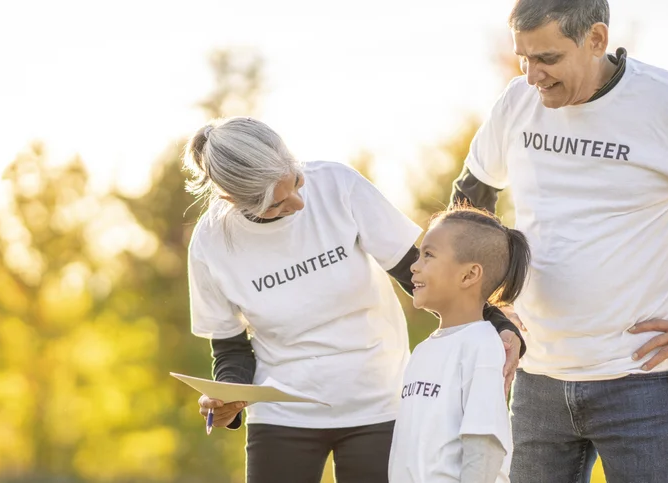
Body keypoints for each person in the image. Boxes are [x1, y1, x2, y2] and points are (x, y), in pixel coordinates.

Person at [183, 116, 524, 483]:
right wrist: (227, 401)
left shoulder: (337, 186)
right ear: (231, 199)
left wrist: (498, 322)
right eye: (277, 203)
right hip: (283, 415)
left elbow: (419, 273)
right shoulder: (210, 244)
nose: (298, 203)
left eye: (296, 182)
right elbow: (230, 348)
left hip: (379, 403)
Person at [449, 0, 668, 481]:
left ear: (597, 39)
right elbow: (469, 204)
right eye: (523, 58)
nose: (531, 76)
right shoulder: (516, 102)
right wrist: (491, 312)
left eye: (547, 59)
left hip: (640, 384)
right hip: (538, 378)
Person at [388, 206, 531, 483]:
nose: (415, 266)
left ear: (468, 276)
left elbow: (485, 444)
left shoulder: (482, 345)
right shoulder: (423, 350)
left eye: (428, 255)